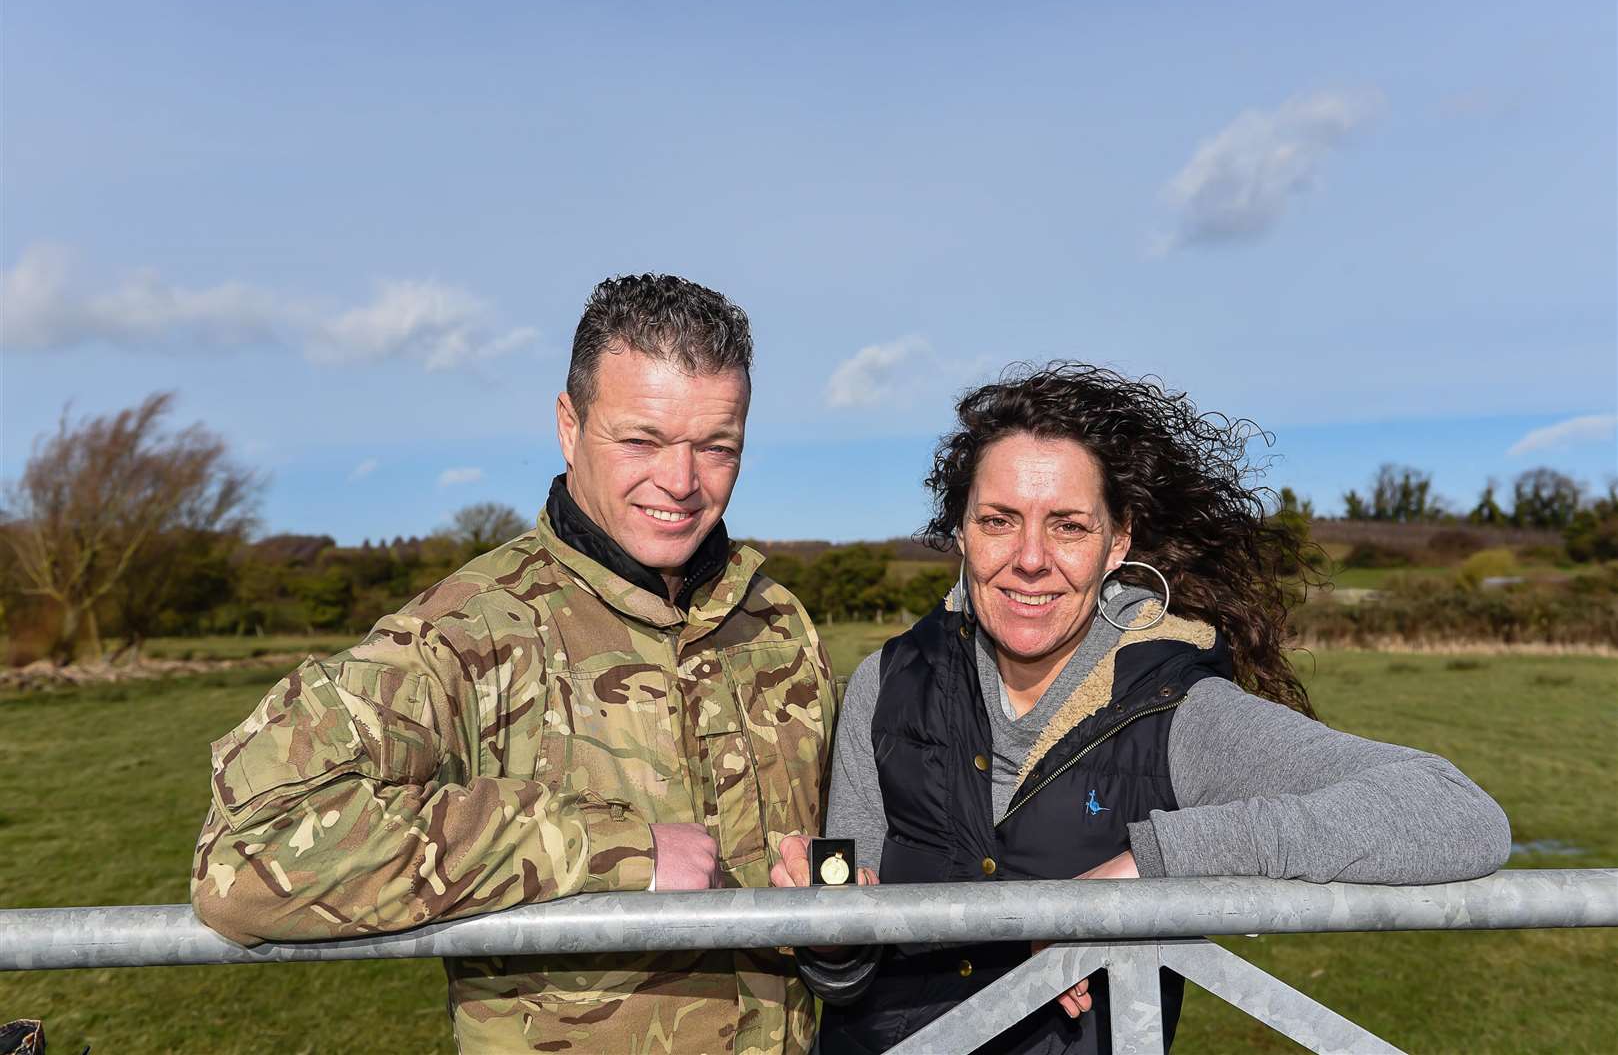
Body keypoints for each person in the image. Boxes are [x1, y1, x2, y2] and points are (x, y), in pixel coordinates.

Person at [777, 363, 1512, 1054]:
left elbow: (1453, 811)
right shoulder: (887, 682)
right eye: (999, 519)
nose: (1030, 558)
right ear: (960, 533)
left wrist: (1148, 867)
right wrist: (834, 935)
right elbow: (844, 969)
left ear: (1117, 541)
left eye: (1068, 524)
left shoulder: (1176, 708)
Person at [191, 274, 840, 1054]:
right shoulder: (466, 632)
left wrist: (838, 919)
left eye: (716, 447)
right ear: (569, 426)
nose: (680, 481)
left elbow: (835, 859)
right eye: (641, 440)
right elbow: (248, 855)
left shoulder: (778, 624)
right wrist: (611, 853)